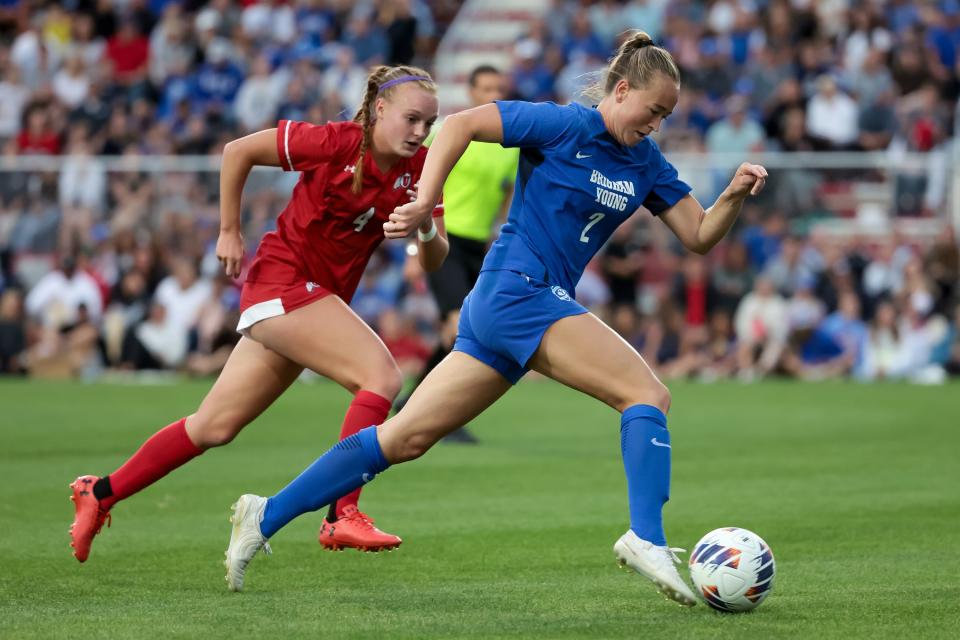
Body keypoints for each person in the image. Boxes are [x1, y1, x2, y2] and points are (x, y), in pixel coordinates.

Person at [223, 31, 767, 605]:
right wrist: (424, 200)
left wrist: (731, 194)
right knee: (646, 395)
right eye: (654, 110)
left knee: (402, 439)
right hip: (518, 291)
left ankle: (264, 514)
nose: (657, 122)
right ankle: (646, 538)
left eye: (667, 115)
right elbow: (458, 126)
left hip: (508, 308)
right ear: (622, 89)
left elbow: (700, 235)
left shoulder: (648, 163)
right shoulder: (562, 125)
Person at [68, 65, 448, 563]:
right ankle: (341, 514)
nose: (420, 132)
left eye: (429, 123)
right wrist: (229, 231)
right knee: (380, 377)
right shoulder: (334, 142)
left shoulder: (421, 169)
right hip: (283, 282)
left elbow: (436, 256)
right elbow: (238, 151)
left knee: (213, 427)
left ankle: (98, 493)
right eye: (412, 119)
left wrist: (422, 226)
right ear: (379, 109)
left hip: (311, 301)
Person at [396, 64, 520, 444]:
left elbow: (507, 196)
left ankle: (413, 404)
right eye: (485, 87)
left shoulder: (509, 145)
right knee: (456, 326)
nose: (492, 94)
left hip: (477, 247)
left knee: (468, 330)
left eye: (498, 87)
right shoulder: (450, 133)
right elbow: (417, 188)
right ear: (469, 92)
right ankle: (436, 413)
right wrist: (414, 249)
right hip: (442, 239)